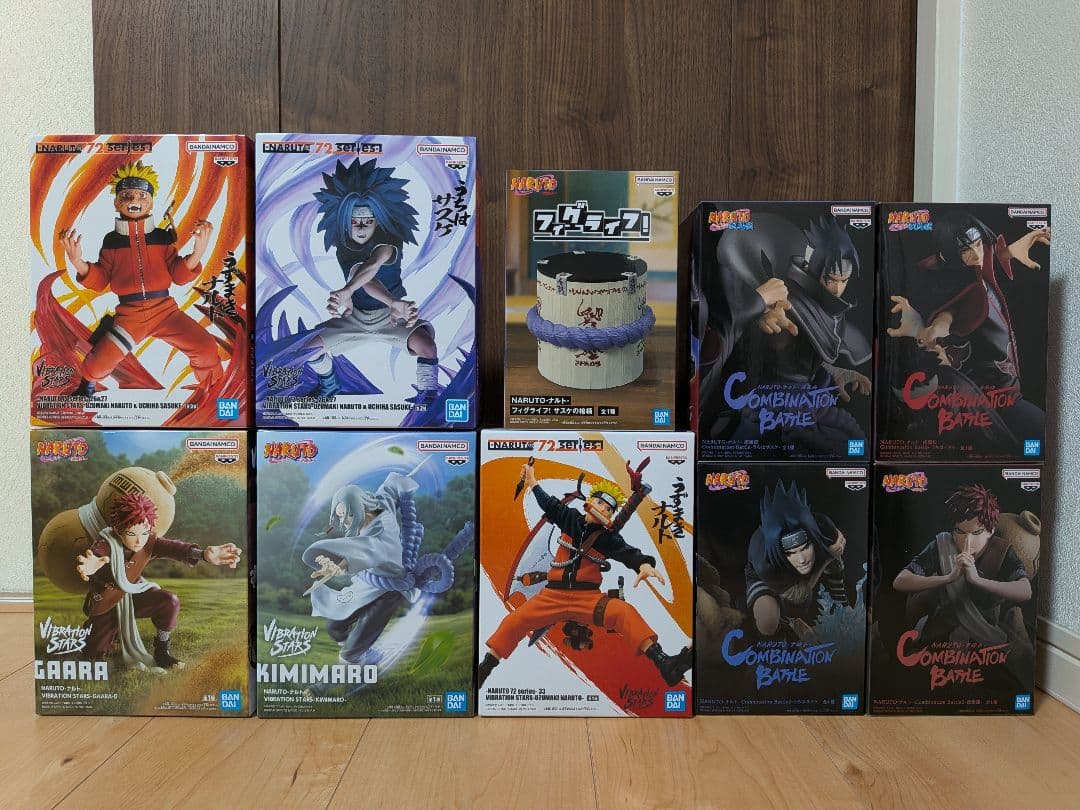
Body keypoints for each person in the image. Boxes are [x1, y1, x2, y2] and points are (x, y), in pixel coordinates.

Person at [478, 463, 692, 688]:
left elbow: (628, 553)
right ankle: (485, 668)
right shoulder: (569, 518)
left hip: (588, 599)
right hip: (552, 596)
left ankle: (664, 663)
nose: (603, 509)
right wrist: (532, 482)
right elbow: (550, 505)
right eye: (600, 503)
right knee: (514, 621)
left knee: (624, 612)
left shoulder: (607, 539)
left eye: (609, 509)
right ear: (589, 502)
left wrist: (644, 565)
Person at [58, 160, 220, 399]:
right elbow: (100, 280)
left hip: (166, 312)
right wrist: (78, 261)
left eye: (142, 195)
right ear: (116, 203)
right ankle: (87, 387)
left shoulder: (162, 238)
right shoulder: (112, 241)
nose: (134, 200)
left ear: (151, 202)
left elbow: (178, 275)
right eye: (127, 195)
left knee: (205, 347)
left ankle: (216, 391)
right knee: (96, 367)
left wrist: (198, 252)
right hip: (130, 317)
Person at [887, 213, 1050, 442]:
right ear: (951, 255)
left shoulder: (979, 269)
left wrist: (1010, 251)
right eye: (965, 251)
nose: (976, 255)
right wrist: (931, 330)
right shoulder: (964, 290)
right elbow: (947, 316)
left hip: (1008, 390)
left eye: (978, 244)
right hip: (995, 400)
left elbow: (989, 255)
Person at [304, 158, 440, 404]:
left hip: (392, 316)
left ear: (378, 220)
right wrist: (351, 292)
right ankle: (329, 384)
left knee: (427, 347)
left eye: (368, 221)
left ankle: (428, 397)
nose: (361, 227)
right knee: (307, 350)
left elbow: (373, 265)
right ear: (345, 220)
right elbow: (363, 276)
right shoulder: (344, 248)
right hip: (355, 318)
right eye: (355, 221)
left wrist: (387, 302)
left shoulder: (388, 241)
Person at [76, 492, 241, 670]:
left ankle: (162, 652)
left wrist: (203, 555)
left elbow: (175, 548)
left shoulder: (149, 542)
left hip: (133, 595)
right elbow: (97, 554)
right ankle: (104, 633)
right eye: (131, 533)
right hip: (107, 604)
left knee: (169, 602)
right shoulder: (105, 542)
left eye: (144, 532)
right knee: (93, 657)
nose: (139, 540)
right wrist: (91, 565)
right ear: (117, 529)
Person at [301, 474, 420, 663]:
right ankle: (364, 652)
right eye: (341, 515)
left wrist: (340, 565)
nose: (344, 521)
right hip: (367, 582)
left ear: (360, 507)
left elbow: (368, 550)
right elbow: (388, 491)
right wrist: (398, 480)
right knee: (335, 628)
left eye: (348, 515)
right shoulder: (379, 506)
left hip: (388, 589)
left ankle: (358, 658)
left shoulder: (382, 533)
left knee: (351, 651)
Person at [893, 484, 1032, 645]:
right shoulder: (942, 544)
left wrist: (977, 580)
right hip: (941, 627)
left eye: (977, 532)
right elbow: (900, 581)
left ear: (991, 530)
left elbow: (1025, 590)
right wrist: (948, 578)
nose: (967, 541)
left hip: (986, 631)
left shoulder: (1001, 551)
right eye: (960, 531)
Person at [744, 481, 849, 638]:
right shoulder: (764, 563)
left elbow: (836, 560)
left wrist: (842, 605)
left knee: (831, 555)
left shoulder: (824, 527)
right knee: (768, 623)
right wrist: (827, 557)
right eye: (791, 553)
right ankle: (786, 625)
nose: (801, 560)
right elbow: (799, 596)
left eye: (805, 548)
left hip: (807, 566)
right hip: (767, 579)